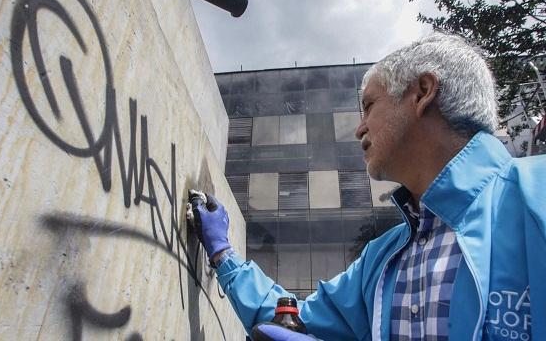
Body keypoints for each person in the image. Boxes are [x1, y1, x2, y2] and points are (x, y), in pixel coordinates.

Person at [191, 32, 546, 340]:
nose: (359, 129)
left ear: (422, 92)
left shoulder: (537, 193)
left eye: (368, 106)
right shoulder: (382, 260)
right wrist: (224, 255)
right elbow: (292, 319)